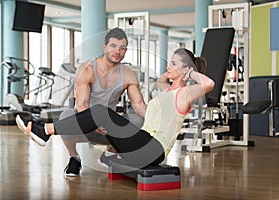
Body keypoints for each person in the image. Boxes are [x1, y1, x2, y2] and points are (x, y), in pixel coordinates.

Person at [16, 48, 215, 169]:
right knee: (103, 117)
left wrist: (190, 72)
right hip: (142, 144)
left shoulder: (184, 95)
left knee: (102, 112)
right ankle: (46, 130)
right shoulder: (167, 90)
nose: (168, 66)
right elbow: (164, 79)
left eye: (173, 63)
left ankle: (46, 130)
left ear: (186, 69)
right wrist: (177, 68)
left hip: (153, 150)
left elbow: (209, 84)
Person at [27, 27, 147, 176]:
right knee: (66, 115)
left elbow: (139, 105)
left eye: (122, 48)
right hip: (84, 126)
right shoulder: (88, 69)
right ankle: (74, 158)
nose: (117, 51)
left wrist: (158, 120)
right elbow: (82, 104)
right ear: (104, 47)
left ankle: (108, 156)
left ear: (126, 50)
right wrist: (94, 123)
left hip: (108, 128)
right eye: (113, 46)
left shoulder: (128, 74)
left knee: (137, 119)